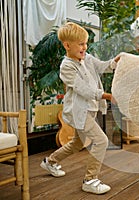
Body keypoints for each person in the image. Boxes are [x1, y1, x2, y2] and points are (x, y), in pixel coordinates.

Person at [40, 22, 120, 195]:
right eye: (81, 44)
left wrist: (114, 62)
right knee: (101, 141)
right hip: (79, 111)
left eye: (86, 43)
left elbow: (102, 66)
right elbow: (83, 89)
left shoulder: (86, 57)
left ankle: (50, 161)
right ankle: (90, 180)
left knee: (78, 142)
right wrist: (106, 96)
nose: (85, 47)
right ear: (67, 45)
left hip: (90, 109)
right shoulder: (67, 66)